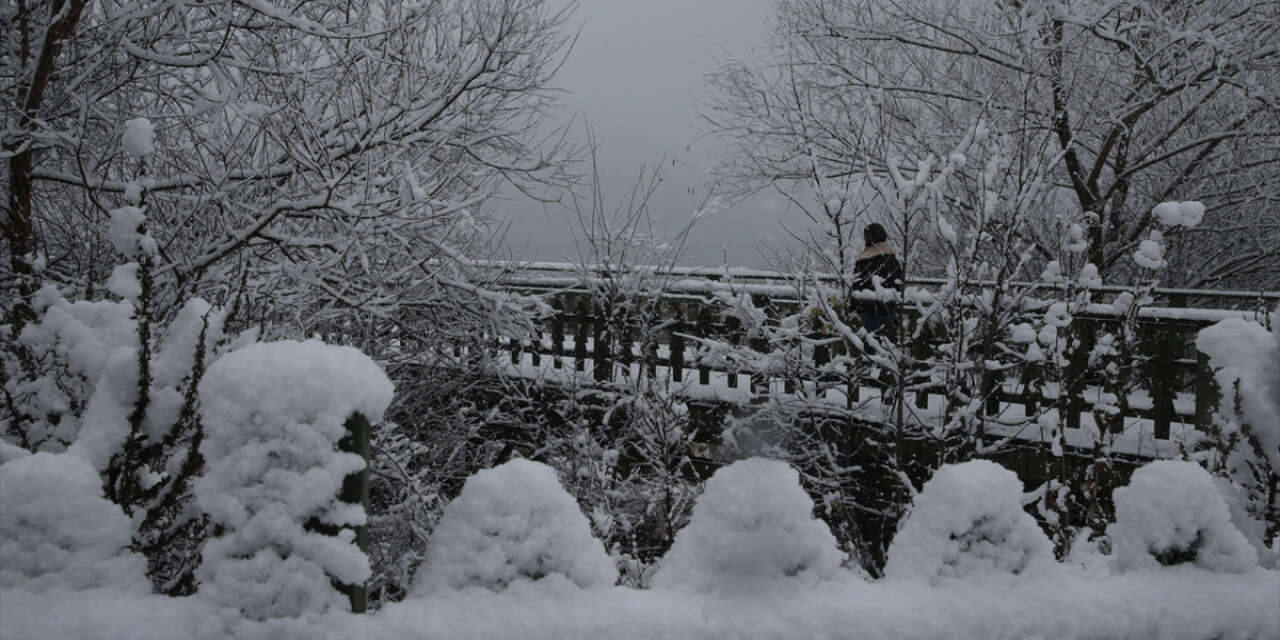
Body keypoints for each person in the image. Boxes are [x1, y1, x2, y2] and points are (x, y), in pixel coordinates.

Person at [852, 223, 903, 335]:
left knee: (870, 345)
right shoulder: (893, 259)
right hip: (890, 310)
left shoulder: (865, 260)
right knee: (888, 346)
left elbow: (858, 286)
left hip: (869, 311)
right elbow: (898, 284)